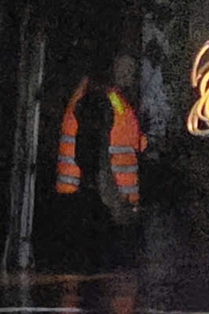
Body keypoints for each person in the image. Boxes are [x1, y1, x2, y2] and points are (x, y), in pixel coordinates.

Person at [42, 53, 147, 268]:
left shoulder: (110, 99)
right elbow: (96, 158)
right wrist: (115, 204)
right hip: (98, 205)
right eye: (126, 69)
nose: (131, 76)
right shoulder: (99, 100)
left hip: (97, 203)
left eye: (132, 71)